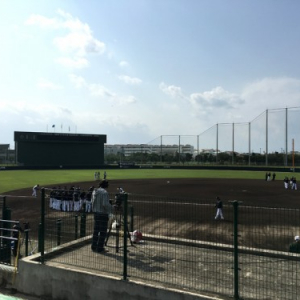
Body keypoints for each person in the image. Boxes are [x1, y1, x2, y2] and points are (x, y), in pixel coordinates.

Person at [91, 180, 112, 253]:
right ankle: (100, 248)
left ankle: (93, 246)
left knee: (96, 231)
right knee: (103, 232)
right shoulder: (104, 192)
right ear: (106, 185)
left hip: (96, 213)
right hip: (103, 214)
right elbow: (105, 204)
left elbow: (92, 202)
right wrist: (111, 207)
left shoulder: (94, 191)